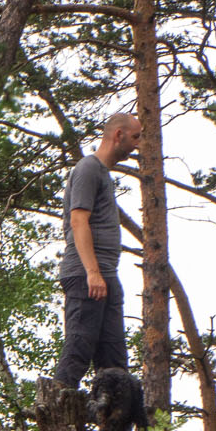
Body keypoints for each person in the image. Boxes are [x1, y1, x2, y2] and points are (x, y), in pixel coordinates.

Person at [52, 112, 143, 388]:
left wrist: (101, 274)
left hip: (105, 276)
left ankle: (116, 430)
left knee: (114, 365)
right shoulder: (88, 169)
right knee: (79, 349)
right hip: (87, 276)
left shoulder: (102, 174)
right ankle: (53, 415)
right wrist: (92, 272)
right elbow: (78, 220)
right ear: (119, 135)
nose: (138, 144)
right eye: (136, 137)